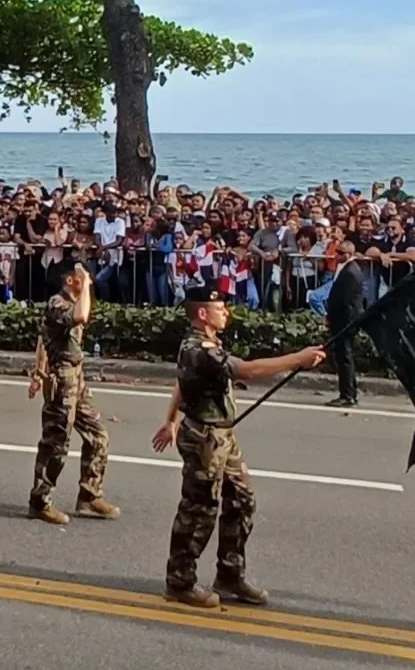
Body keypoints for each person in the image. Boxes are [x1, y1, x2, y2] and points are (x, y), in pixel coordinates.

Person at [152, 285, 325, 608]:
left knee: (242, 500)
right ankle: (180, 580)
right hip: (205, 438)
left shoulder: (207, 344)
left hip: (223, 437)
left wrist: (170, 420)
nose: (226, 312)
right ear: (202, 313)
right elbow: (247, 370)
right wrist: (298, 359)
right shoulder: (198, 348)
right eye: (220, 309)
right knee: (199, 510)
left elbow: (183, 383)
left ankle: (230, 574)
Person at [27, 263, 117, 524]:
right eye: (81, 278)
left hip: (77, 377)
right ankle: (39, 501)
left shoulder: (76, 302)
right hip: (61, 378)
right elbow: (78, 318)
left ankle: (89, 494)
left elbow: (47, 338)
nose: (87, 282)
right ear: (70, 280)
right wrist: (39, 373)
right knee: (56, 444)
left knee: (98, 435)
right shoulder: (58, 303)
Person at [325, 236, 366, 408]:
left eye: (341, 253)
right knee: (343, 356)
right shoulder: (347, 269)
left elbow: (342, 300)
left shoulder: (350, 272)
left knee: (345, 357)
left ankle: (348, 394)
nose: (337, 255)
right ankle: (347, 392)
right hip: (343, 318)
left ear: (349, 254)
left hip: (345, 320)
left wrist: (331, 315)